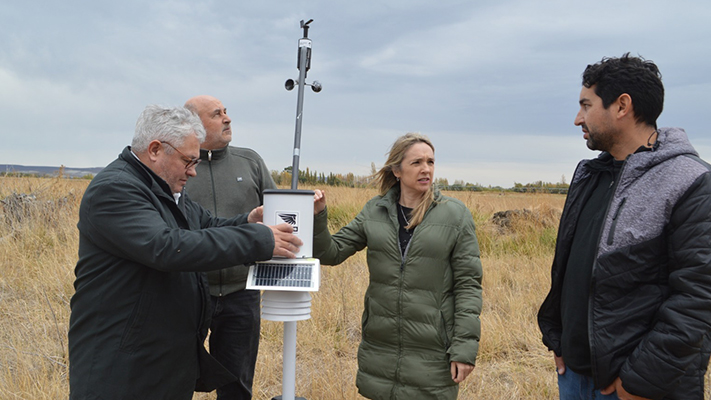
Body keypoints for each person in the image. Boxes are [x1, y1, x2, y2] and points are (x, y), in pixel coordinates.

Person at [68, 105, 302, 400]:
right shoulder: (116, 190)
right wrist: (258, 240)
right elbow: (167, 247)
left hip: (162, 359)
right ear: (155, 149)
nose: (193, 172)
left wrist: (247, 221)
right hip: (123, 366)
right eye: (188, 161)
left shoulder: (165, 190)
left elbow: (206, 226)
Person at [538, 53, 711, 400]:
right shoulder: (590, 175)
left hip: (640, 387)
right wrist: (558, 339)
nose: (578, 118)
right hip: (573, 375)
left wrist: (640, 382)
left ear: (622, 106)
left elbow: (698, 298)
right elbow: (570, 269)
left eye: (586, 105)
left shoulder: (690, 182)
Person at [312, 133, 482, 399]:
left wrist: (464, 349)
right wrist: (319, 216)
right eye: (416, 163)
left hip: (433, 352)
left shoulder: (455, 215)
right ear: (397, 170)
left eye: (430, 162)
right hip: (381, 348)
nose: (426, 169)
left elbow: (468, 286)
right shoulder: (374, 211)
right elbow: (330, 253)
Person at [183, 94, 276, 399]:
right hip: (188, 294)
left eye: (226, 111)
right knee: (175, 377)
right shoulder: (180, 166)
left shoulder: (250, 161)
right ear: (195, 125)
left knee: (236, 386)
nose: (227, 118)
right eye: (217, 114)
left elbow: (277, 213)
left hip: (242, 294)